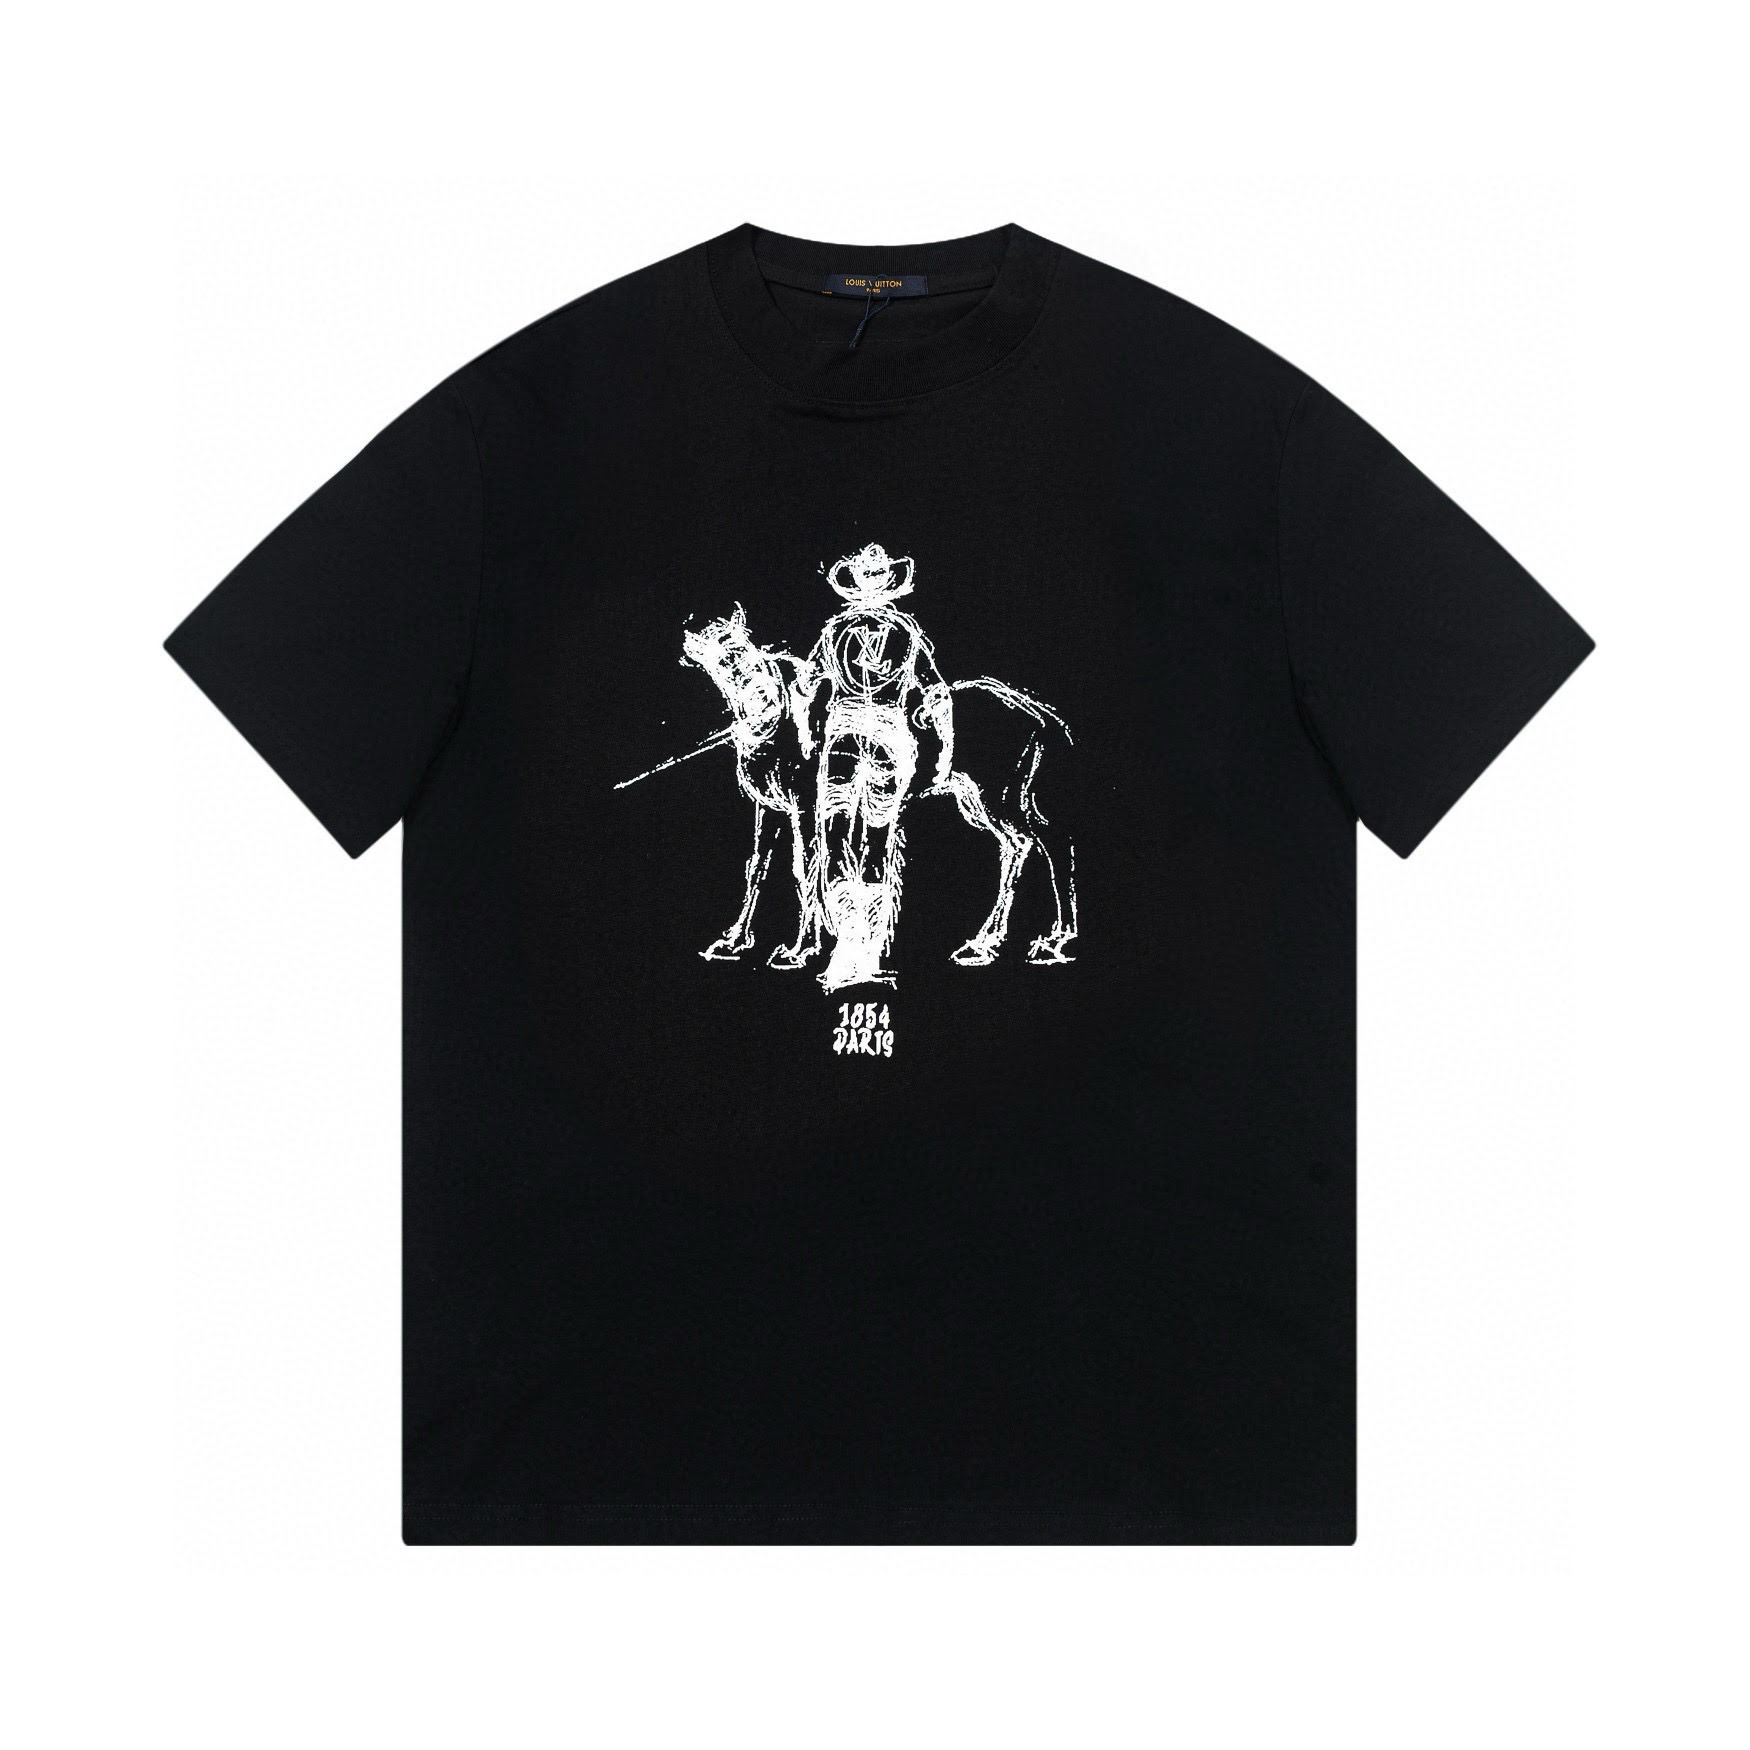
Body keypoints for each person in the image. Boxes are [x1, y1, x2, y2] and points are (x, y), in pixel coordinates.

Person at [798, 543, 952, 990]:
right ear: (887, 585)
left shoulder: (834, 631)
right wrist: (944, 747)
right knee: (874, 839)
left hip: (847, 739)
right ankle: (864, 949)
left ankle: (849, 946)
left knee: (837, 836)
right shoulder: (907, 632)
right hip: (887, 739)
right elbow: (937, 694)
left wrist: (806, 732)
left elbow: (805, 687)